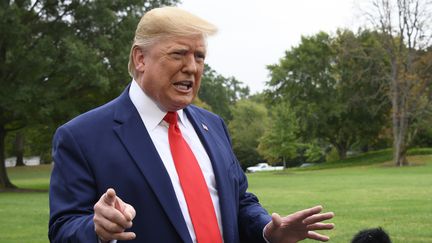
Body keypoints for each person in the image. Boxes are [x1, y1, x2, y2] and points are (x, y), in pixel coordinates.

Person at [48, 6, 334, 243]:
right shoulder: (81, 137)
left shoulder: (214, 126)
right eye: (178, 54)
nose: (192, 67)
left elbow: (240, 202)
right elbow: (63, 229)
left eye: (199, 56)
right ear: (140, 58)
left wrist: (267, 230)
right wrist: (96, 229)